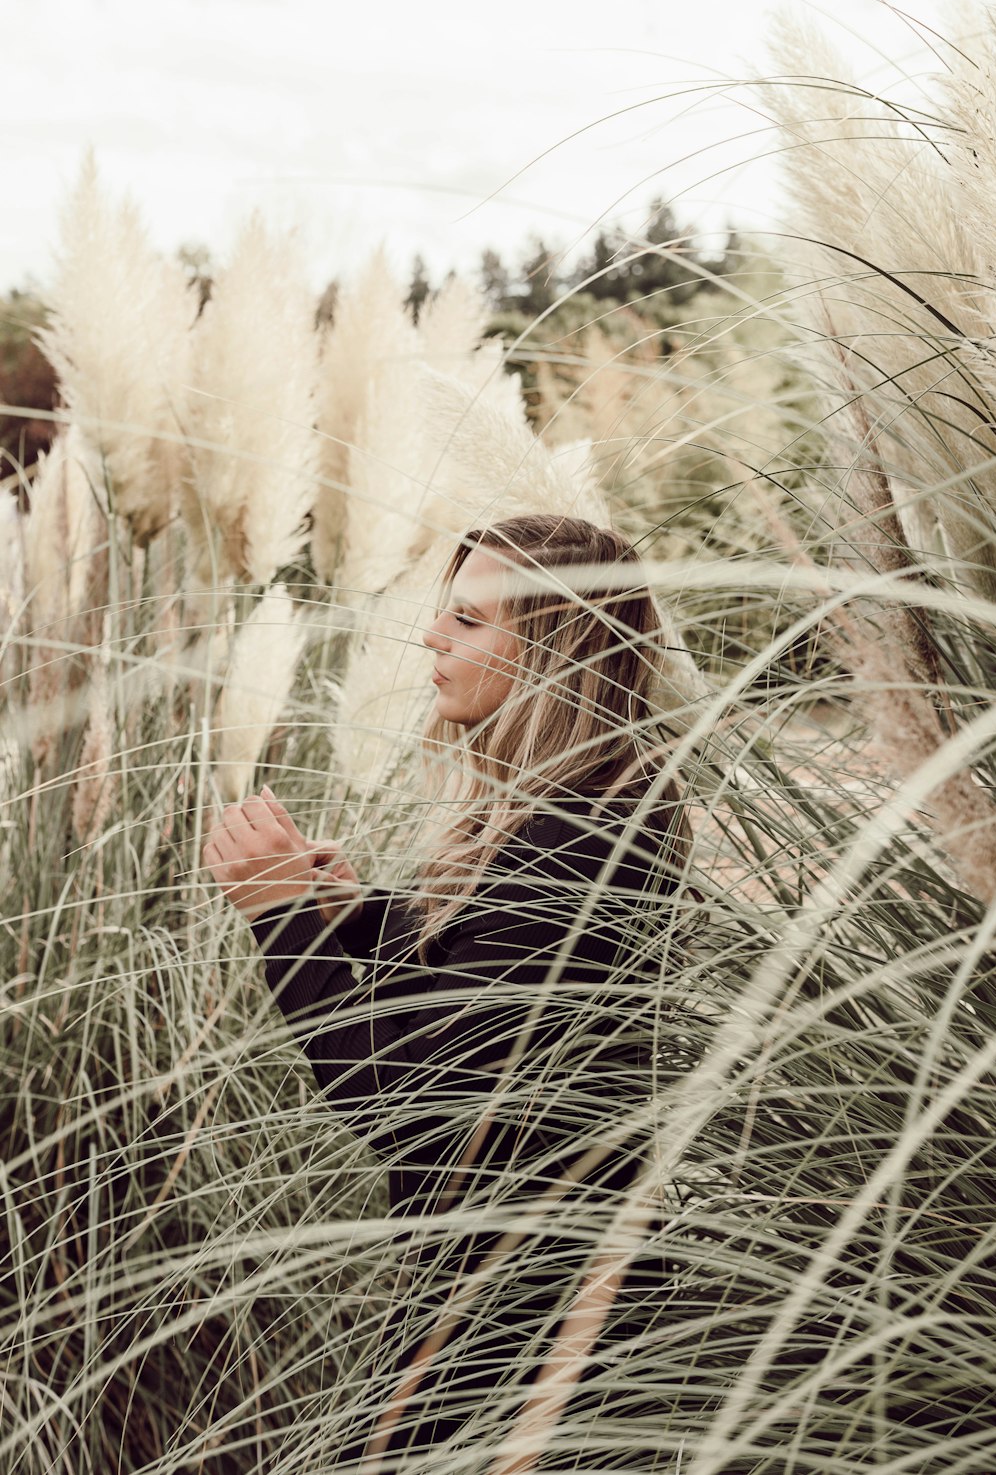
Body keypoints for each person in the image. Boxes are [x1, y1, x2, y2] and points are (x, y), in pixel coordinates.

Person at [203, 514, 699, 1470]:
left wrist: (280, 917)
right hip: (531, 1286)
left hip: (524, 1322)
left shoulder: (569, 839)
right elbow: (484, 1002)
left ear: (552, 652)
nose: (433, 637)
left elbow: (417, 1111)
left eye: (469, 621)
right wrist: (357, 917)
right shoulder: (595, 803)